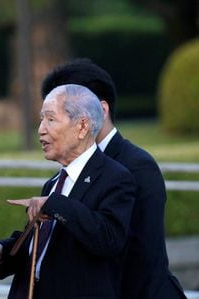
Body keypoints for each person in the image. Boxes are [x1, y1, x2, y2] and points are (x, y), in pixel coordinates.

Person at [40, 58, 187, 299]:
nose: (45, 127)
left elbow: (142, 258)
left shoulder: (136, 166)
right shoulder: (66, 173)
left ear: (100, 110)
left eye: (54, 117)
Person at [0, 84, 136, 298]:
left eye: (50, 119)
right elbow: (41, 247)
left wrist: (56, 204)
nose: (41, 128)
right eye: (42, 119)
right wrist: (1, 252)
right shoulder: (54, 183)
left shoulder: (115, 178)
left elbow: (108, 239)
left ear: (82, 127)